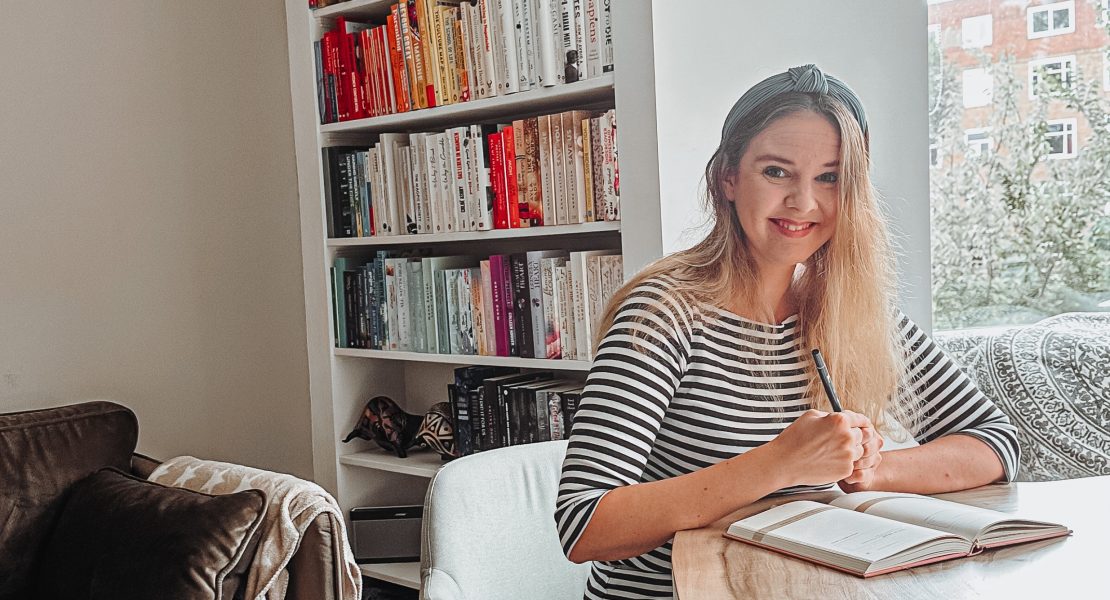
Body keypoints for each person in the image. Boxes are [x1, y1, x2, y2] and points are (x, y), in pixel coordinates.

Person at [553, 64, 1020, 600]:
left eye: (829, 177)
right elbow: (583, 523)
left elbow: (996, 442)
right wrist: (778, 464)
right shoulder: (662, 312)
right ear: (727, 177)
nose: (804, 202)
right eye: (777, 172)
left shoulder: (855, 311)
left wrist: (872, 469)